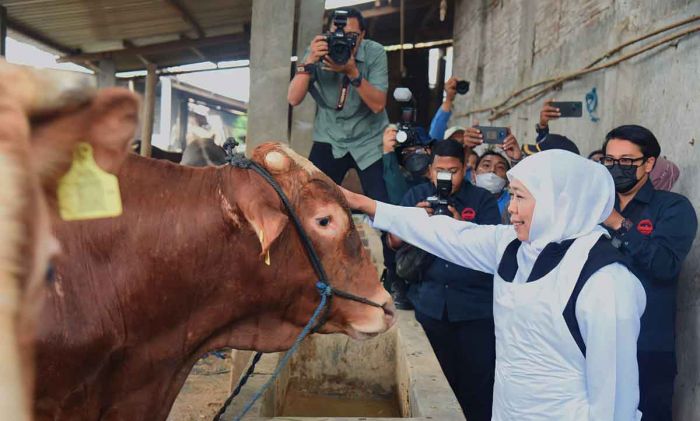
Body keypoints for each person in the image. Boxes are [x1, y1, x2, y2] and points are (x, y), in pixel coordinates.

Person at [343, 149, 646, 421]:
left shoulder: (605, 281)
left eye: (520, 197)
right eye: (512, 195)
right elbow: (445, 233)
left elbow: (616, 396)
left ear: (559, 202)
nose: (511, 208)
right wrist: (366, 205)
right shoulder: (512, 246)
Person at [389, 139, 500, 420]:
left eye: (454, 170)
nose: (446, 177)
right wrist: (414, 220)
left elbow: (492, 249)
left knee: (477, 386)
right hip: (431, 305)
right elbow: (393, 241)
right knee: (434, 386)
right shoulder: (417, 195)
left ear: (466, 169)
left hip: (475, 310)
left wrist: (459, 223)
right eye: (440, 170)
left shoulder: (483, 201)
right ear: (430, 170)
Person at [600, 125, 697, 421]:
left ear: (649, 164)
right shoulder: (594, 208)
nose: (618, 168)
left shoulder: (673, 208)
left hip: (648, 347)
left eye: (627, 161)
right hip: (597, 342)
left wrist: (619, 224)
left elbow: (665, 265)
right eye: (610, 160)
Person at [287, 7, 389, 203]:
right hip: (330, 136)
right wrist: (309, 61)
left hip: (370, 139)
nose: (343, 41)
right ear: (327, 34)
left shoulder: (374, 52)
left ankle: (383, 235)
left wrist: (352, 73)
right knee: (313, 199)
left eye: (351, 36)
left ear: (363, 36)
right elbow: (293, 99)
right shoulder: (318, 51)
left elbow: (378, 105)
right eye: (337, 35)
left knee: (382, 201)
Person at [472, 151, 511, 223]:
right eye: (486, 165)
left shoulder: (512, 203)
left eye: (500, 167)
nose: (492, 170)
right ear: (474, 175)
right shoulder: (462, 199)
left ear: (507, 180)